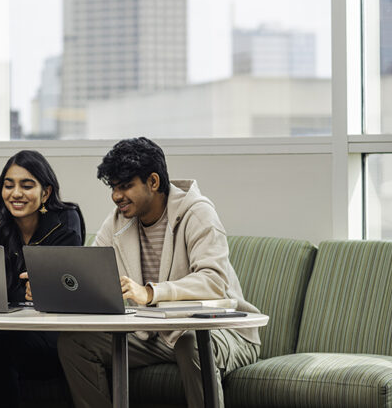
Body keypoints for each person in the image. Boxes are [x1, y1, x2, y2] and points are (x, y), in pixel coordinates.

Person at [58, 137, 260, 408]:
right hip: (153, 335)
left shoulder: (198, 213)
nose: (117, 196)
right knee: (75, 343)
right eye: (114, 188)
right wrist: (61, 289)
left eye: (126, 186)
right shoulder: (117, 221)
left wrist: (151, 292)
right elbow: (91, 276)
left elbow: (214, 282)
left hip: (220, 332)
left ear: (153, 182)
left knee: (190, 342)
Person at [0, 150, 85, 408]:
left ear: (45, 192)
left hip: (54, 334)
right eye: (8, 185)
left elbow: (64, 286)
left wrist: (41, 290)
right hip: (5, 332)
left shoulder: (65, 221)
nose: (16, 193)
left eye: (27, 185)